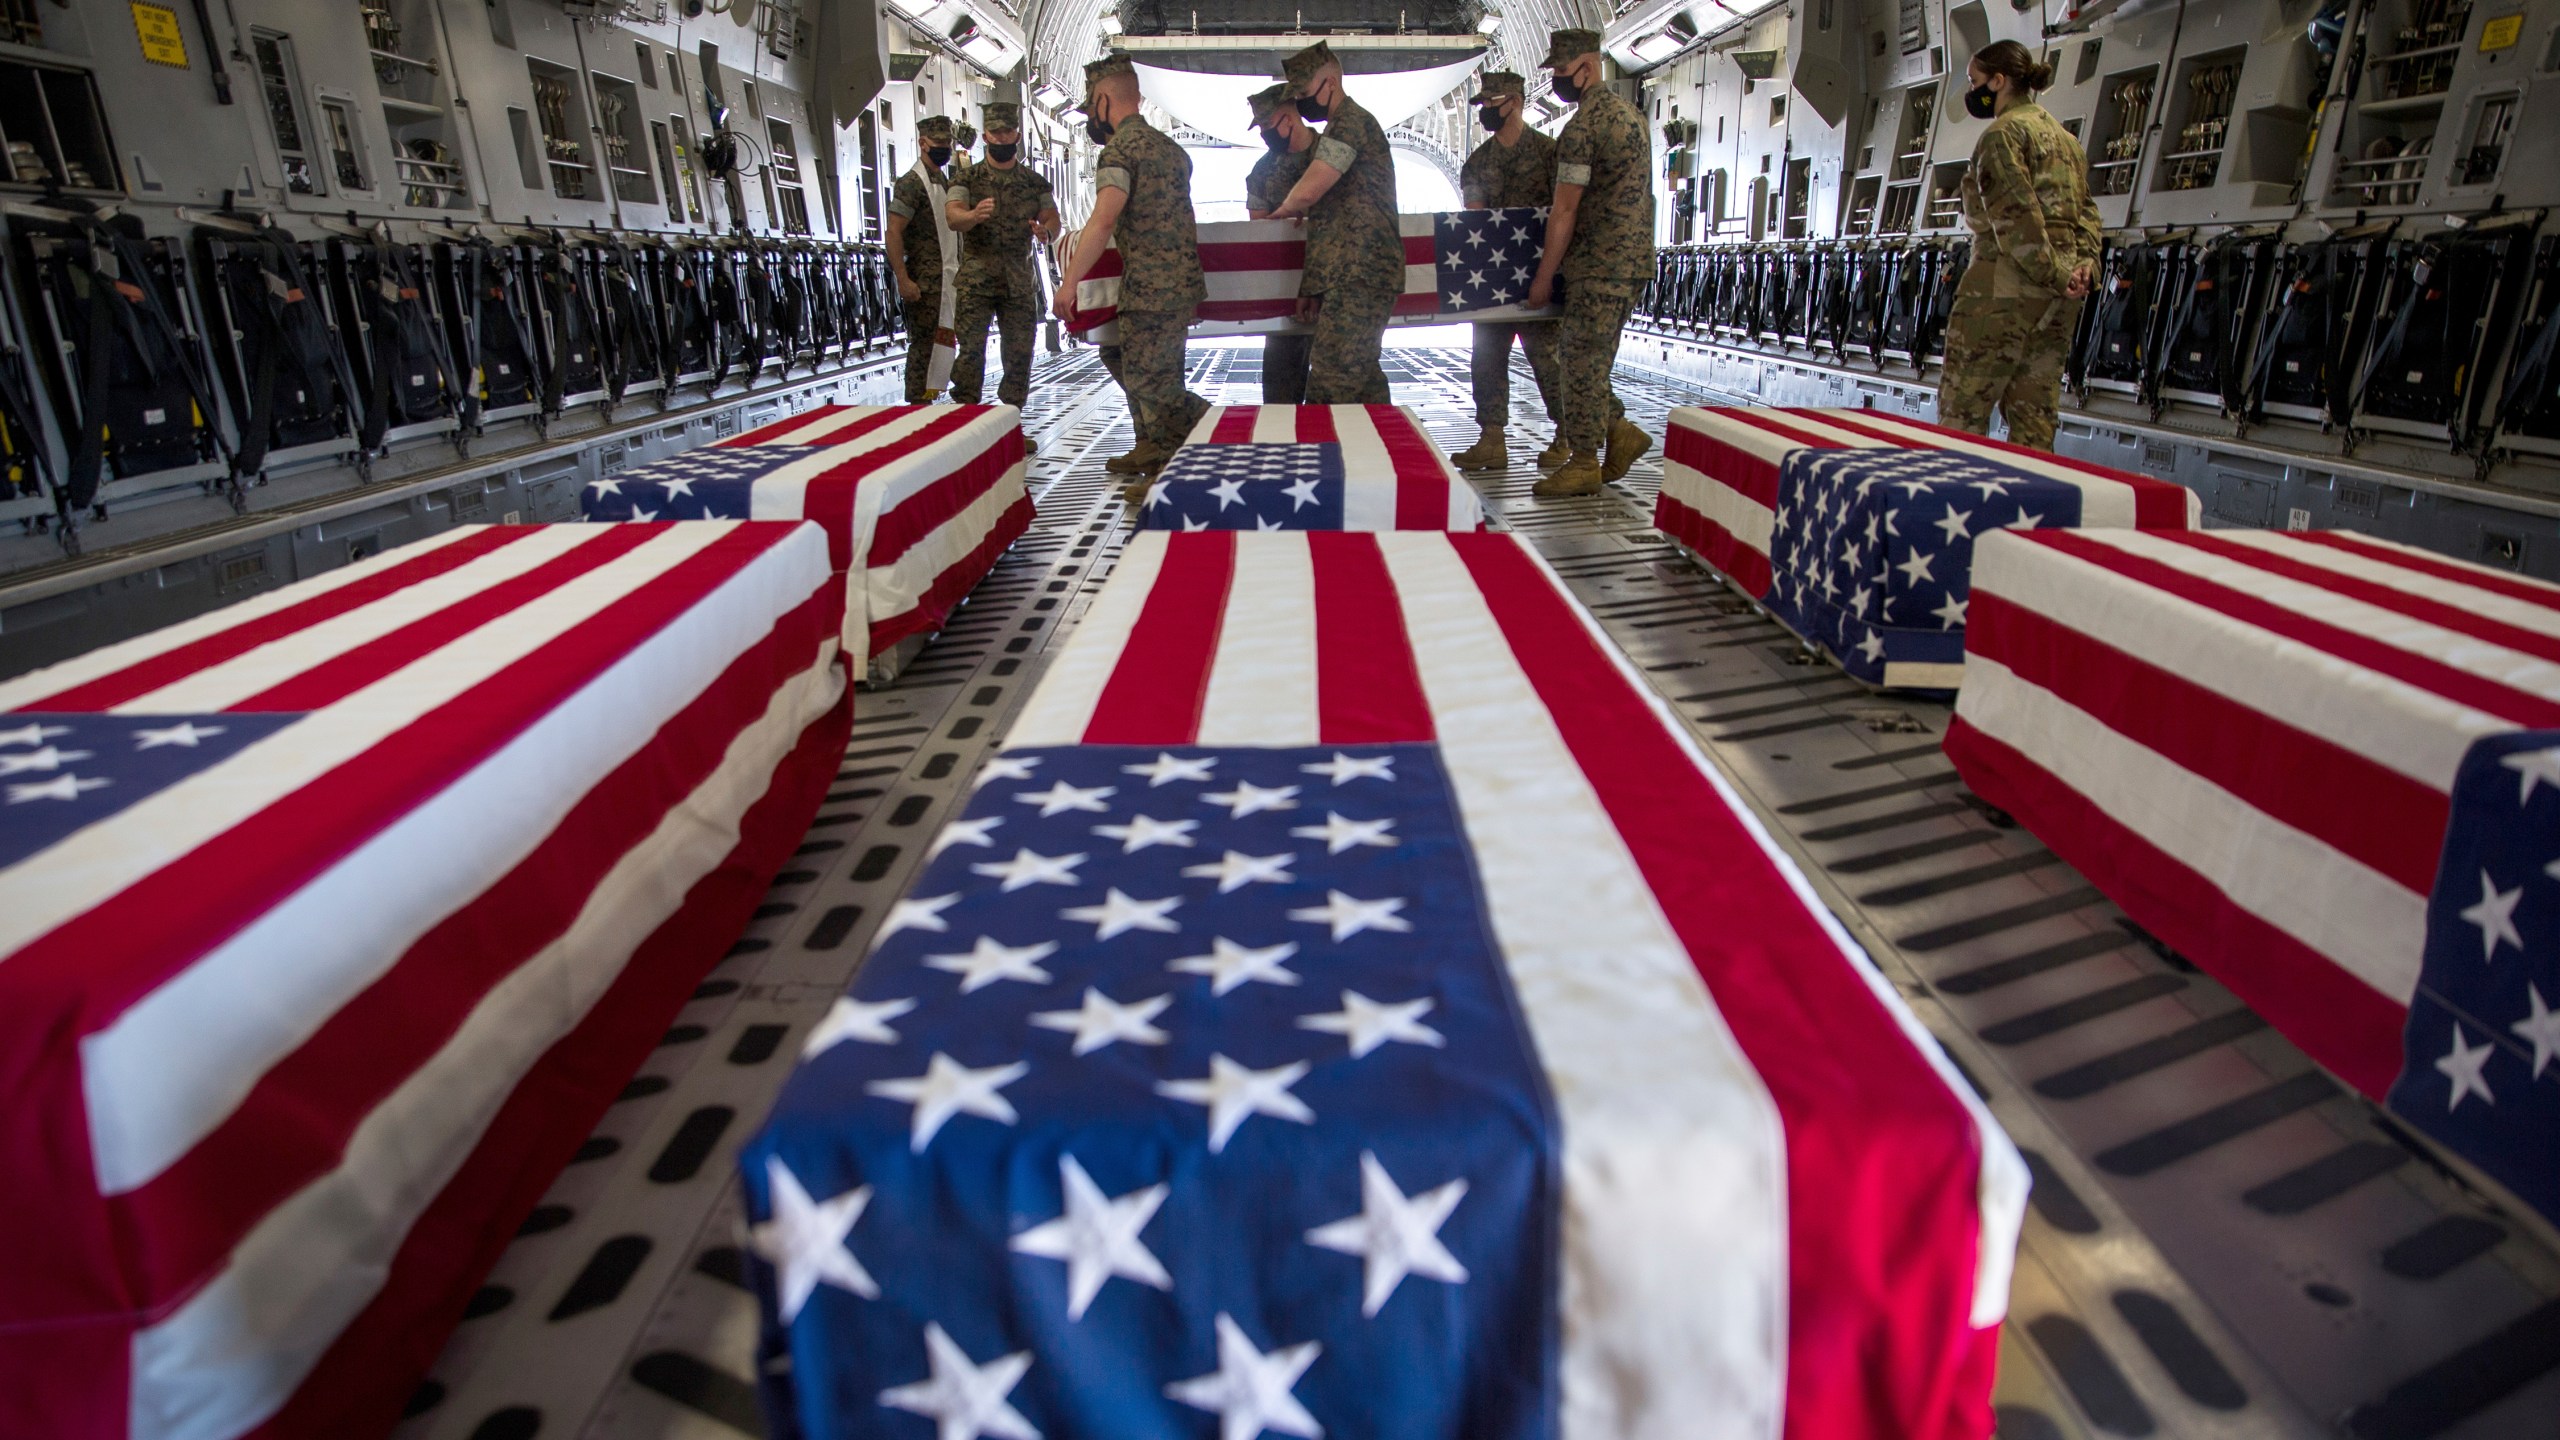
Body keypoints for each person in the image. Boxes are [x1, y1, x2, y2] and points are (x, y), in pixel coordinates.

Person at [1053, 54, 1209, 502]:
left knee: (1154, 384)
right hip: (1178, 285)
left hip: (1151, 288)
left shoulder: (1119, 152)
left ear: (1104, 100)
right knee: (1135, 362)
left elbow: (1102, 223)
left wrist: (1068, 284)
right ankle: (1150, 445)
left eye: (1090, 107)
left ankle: (1220, 433)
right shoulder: (1171, 151)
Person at [1938, 40, 2099, 451]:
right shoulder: (2067, 141)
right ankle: (2030, 512)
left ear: (1999, 80)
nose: (1972, 92)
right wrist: (2082, 269)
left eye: (1975, 82)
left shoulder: (2002, 136)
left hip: (2002, 291)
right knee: (2035, 419)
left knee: (1963, 415)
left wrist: (2054, 273)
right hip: (2059, 300)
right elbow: (2087, 214)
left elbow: (2016, 218)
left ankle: (1959, 511)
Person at [1525, 30, 1654, 498]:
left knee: (1576, 363)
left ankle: (1583, 461)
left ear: (1587, 66)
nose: (1557, 81)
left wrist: (1543, 277)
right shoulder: (1632, 118)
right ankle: (1619, 432)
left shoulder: (1583, 128)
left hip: (1598, 265)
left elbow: (1565, 210)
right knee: (1592, 364)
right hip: (1631, 260)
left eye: (1561, 71)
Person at [1266, 41, 1404, 405]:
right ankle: (1391, 454)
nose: (1300, 101)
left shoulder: (1351, 124)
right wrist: (1314, 285)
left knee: (1329, 380)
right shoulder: (1338, 128)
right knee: (1363, 380)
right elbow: (1330, 225)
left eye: (1304, 92)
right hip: (1349, 275)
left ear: (1330, 83)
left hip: (1361, 274)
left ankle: (1321, 459)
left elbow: (1310, 192)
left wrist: (1281, 210)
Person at [1451, 70, 1565, 473]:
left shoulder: (1551, 155)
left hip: (1541, 277)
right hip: (1494, 283)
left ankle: (1567, 435)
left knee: (1547, 360)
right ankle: (1492, 438)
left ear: (1514, 101)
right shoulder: (1478, 163)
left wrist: (1549, 275)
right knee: (1486, 358)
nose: (1484, 111)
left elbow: (1565, 214)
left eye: (1490, 103)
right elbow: (1475, 224)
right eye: (1481, 104)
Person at [945, 101, 1061, 447]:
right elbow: (953, 216)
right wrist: (974, 216)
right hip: (976, 281)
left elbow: (1052, 218)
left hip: (1018, 281)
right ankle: (966, 425)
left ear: (1017, 136)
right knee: (970, 353)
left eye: (1007, 131)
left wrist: (1047, 232)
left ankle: (1011, 424)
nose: (1001, 137)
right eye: (995, 132)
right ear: (985, 136)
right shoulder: (966, 178)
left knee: (1019, 353)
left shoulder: (1034, 182)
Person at [1245, 84, 1315, 405]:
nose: (1264, 135)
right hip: (1286, 295)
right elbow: (1258, 230)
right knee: (1280, 391)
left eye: (1267, 126)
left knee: (1337, 391)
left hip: (1335, 291)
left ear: (1289, 119)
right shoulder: (1262, 171)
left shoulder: (1331, 155)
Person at [886, 115, 958, 404]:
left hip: (946, 280)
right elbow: (893, 232)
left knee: (942, 343)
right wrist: (903, 279)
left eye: (947, 142)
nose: (944, 147)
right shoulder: (911, 184)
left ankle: (932, 397)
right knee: (924, 346)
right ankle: (918, 402)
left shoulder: (943, 180)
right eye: (938, 142)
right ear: (923, 143)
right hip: (924, 282)